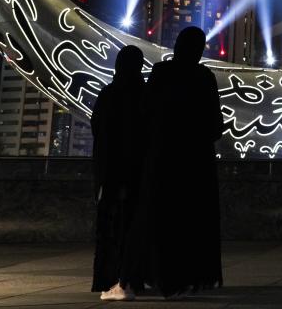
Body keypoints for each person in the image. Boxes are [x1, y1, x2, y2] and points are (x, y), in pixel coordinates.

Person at [138, 26, 224, 298]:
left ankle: (161, 274)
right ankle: (193, 275)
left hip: (164, 157)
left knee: (164, 216)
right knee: (194, 218)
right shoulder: (204, 76)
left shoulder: (161, 72)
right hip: (196, 160)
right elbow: (215, 123)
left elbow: (147, 112)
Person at [91, 45, 146, 301]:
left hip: (112, 173)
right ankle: (133, 280)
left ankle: (114, 283)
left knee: (111, 228)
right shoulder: (145, 95)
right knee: (134, 227)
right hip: (139, 173)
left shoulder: (109, 94)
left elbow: (98, 130)